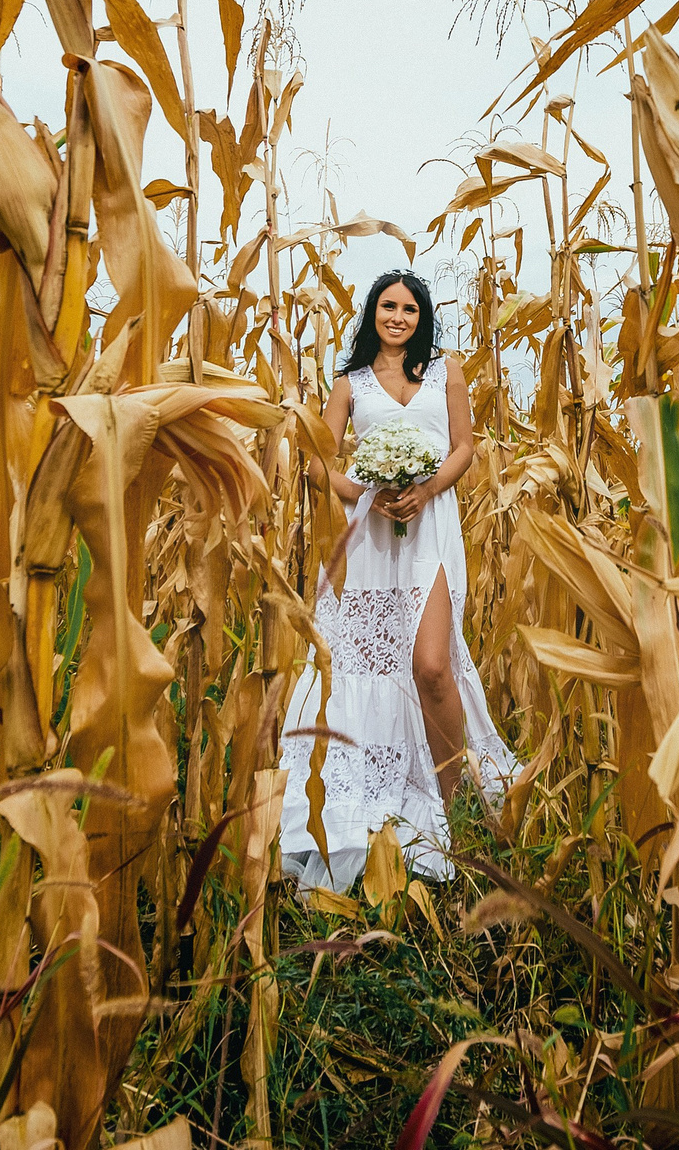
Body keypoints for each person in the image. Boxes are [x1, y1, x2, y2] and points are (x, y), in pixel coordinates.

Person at [278, 269, 519, 891]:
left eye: (410, 309)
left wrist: (426, 488)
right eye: (388, 306)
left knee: (432, 665)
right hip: (370, 539)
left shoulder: (447, 372)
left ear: (422, 318)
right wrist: (366, 490)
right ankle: (378, 808)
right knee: (368, 666)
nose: (398, 318)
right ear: (373, 312)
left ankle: (456, 803)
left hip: (432, 527)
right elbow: (317, 460)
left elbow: (463, 448)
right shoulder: (351, 383)